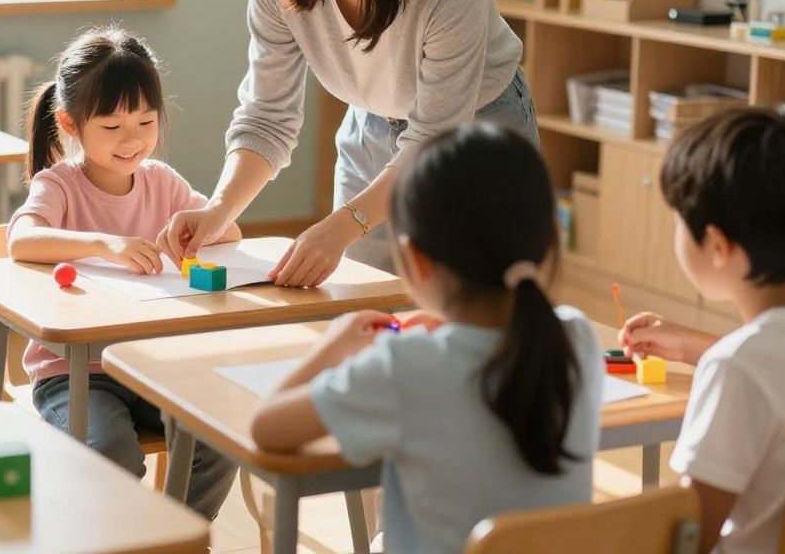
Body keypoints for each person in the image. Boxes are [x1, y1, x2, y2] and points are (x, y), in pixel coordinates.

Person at [159, 0, 534, 283]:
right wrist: (218, 208)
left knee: (477, 306)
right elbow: (267, 117)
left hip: (476, 133)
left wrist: (344, 224)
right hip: (372, 127)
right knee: (363, 303)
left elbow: (435, 134)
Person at [252, 122, 602, 554]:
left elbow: (266, 428)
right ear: (549, 241)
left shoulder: (407, 366)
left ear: (415, 260)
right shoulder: (578, 340)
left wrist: (336, 343)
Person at [6, 25, 240, 519]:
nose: (132, 140)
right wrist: (103, 244)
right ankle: (124, 540)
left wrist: (197, 229)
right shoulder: (61, 184)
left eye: (146, 122)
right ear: (70, 124)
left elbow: (231, 235)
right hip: (74, 374)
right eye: (111, 127)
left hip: (152, 363)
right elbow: (20, 239)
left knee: (219, 435)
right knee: (109, 451)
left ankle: (175, 539)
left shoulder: (163, 182)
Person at [618, 108, 785, 554]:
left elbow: (688, 535)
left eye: (678, 220)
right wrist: (699, 347)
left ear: (717, 245)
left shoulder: (738, 368)